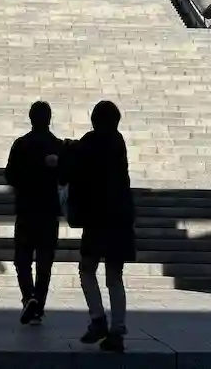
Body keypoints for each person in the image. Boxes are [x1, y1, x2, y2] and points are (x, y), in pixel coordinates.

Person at [66, 99, 134, 353]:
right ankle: (118, 330)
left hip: (97, 219)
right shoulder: (118, 142)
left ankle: (98, 319)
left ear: (95, 120)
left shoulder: (91, 142)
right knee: (114, 276)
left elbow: (74, 161)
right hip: (120, 219)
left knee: (87, 269)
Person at [4, 100, 64, 324]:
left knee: (22, 259)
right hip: (49, 211)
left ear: (31, 119)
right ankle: (38, 303)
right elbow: (66, 176)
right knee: (45, 261)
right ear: (49, 119)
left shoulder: (21, 145)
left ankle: (28, 296)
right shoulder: (57, 146)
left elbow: (10, 176)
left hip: (26, 209)